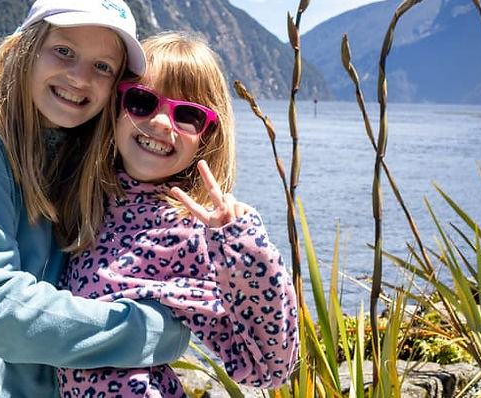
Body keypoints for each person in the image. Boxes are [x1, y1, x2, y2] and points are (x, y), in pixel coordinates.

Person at [0, 0, 191, 398]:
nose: (79, 78)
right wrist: (152, 332)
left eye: (102, 67)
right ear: (26, 50)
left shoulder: (85, 152)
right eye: (64, 52)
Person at [57, 33, 300, 397]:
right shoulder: (88, 200)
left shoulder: (191, 234)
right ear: (115, 108)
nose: (161, 122)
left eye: (187, 115)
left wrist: (243, 247)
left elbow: (268, 365)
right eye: (142, 101)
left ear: (207, 137)